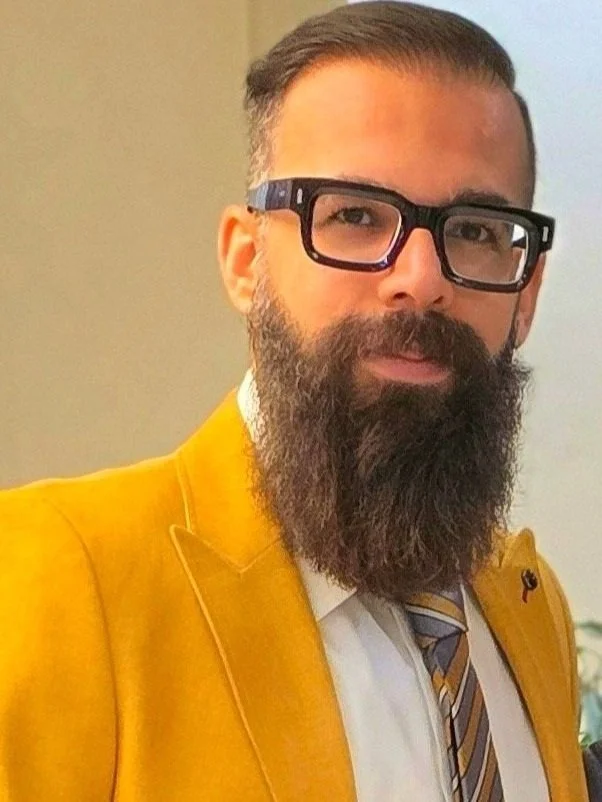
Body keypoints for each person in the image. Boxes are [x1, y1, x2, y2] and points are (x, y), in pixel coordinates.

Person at [0, 2, 588, 800]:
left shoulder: (529, 608)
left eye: (476, 230)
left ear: (527, 294)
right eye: (352, 215)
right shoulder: (53, 581)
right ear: (246, 261)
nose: (420, 276)